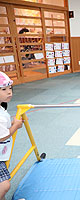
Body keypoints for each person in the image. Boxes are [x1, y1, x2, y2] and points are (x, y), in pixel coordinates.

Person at [0, 72, 23, 200]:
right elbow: (2, 136)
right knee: (4, 186)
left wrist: (13, 121)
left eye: (10, 88)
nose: (9, 92)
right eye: (4, 89)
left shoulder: (1, 108)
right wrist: (16, 126)